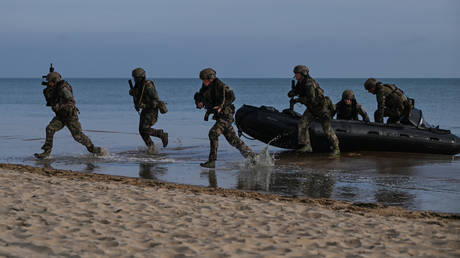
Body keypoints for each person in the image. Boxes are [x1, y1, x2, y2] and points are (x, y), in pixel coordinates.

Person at [34, 66, 103, 159]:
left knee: (78, 136)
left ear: (54, 81)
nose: (48, 83)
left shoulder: (63, 88)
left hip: (70, 116)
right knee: (49, 129)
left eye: (49, 81)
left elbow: (71, 102)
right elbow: (50, 102)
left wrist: (60, 106)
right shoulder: (53, 89)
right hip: (60, 116)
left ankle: (93, 149)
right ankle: (46, 152)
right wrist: (48, 92)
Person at [194, 68, 255, 168]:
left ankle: (212, 161)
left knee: (213, 133)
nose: (203, 82)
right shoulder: (206, 86)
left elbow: (232, 97)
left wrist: (221, 106)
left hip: (226, 116)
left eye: (204, 79)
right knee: (233, 141)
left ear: (211, 78)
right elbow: (199, 95)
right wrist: (199, 102)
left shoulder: (221, 86)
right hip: (219, 117)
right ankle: (253, 158)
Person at [288, 65, 340, 155]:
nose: (295, 75)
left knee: (327, 130)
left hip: (321, 109)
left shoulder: (309, 84)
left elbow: (311, 99)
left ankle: (336, 148)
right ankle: (306, 145)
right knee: (302, 124)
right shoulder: (300, 82)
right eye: (295, 74)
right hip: (312, 109)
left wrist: (297, 100)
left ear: (303, 74)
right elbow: (297, 90)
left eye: (297, 73)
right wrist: (292, 93)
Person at [129, 68, 168, 150]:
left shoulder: (148, 85)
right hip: (145, 110)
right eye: (134, 78)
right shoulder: (138, 85)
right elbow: (139, 96)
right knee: (141, 130)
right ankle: (151, 147)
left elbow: (155, 100)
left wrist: (144, 105)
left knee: (144, 128)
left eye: (137, 78)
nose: (135, 79)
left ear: (142, 77)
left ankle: (161, 134)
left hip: (152, 110)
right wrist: (133, 93)